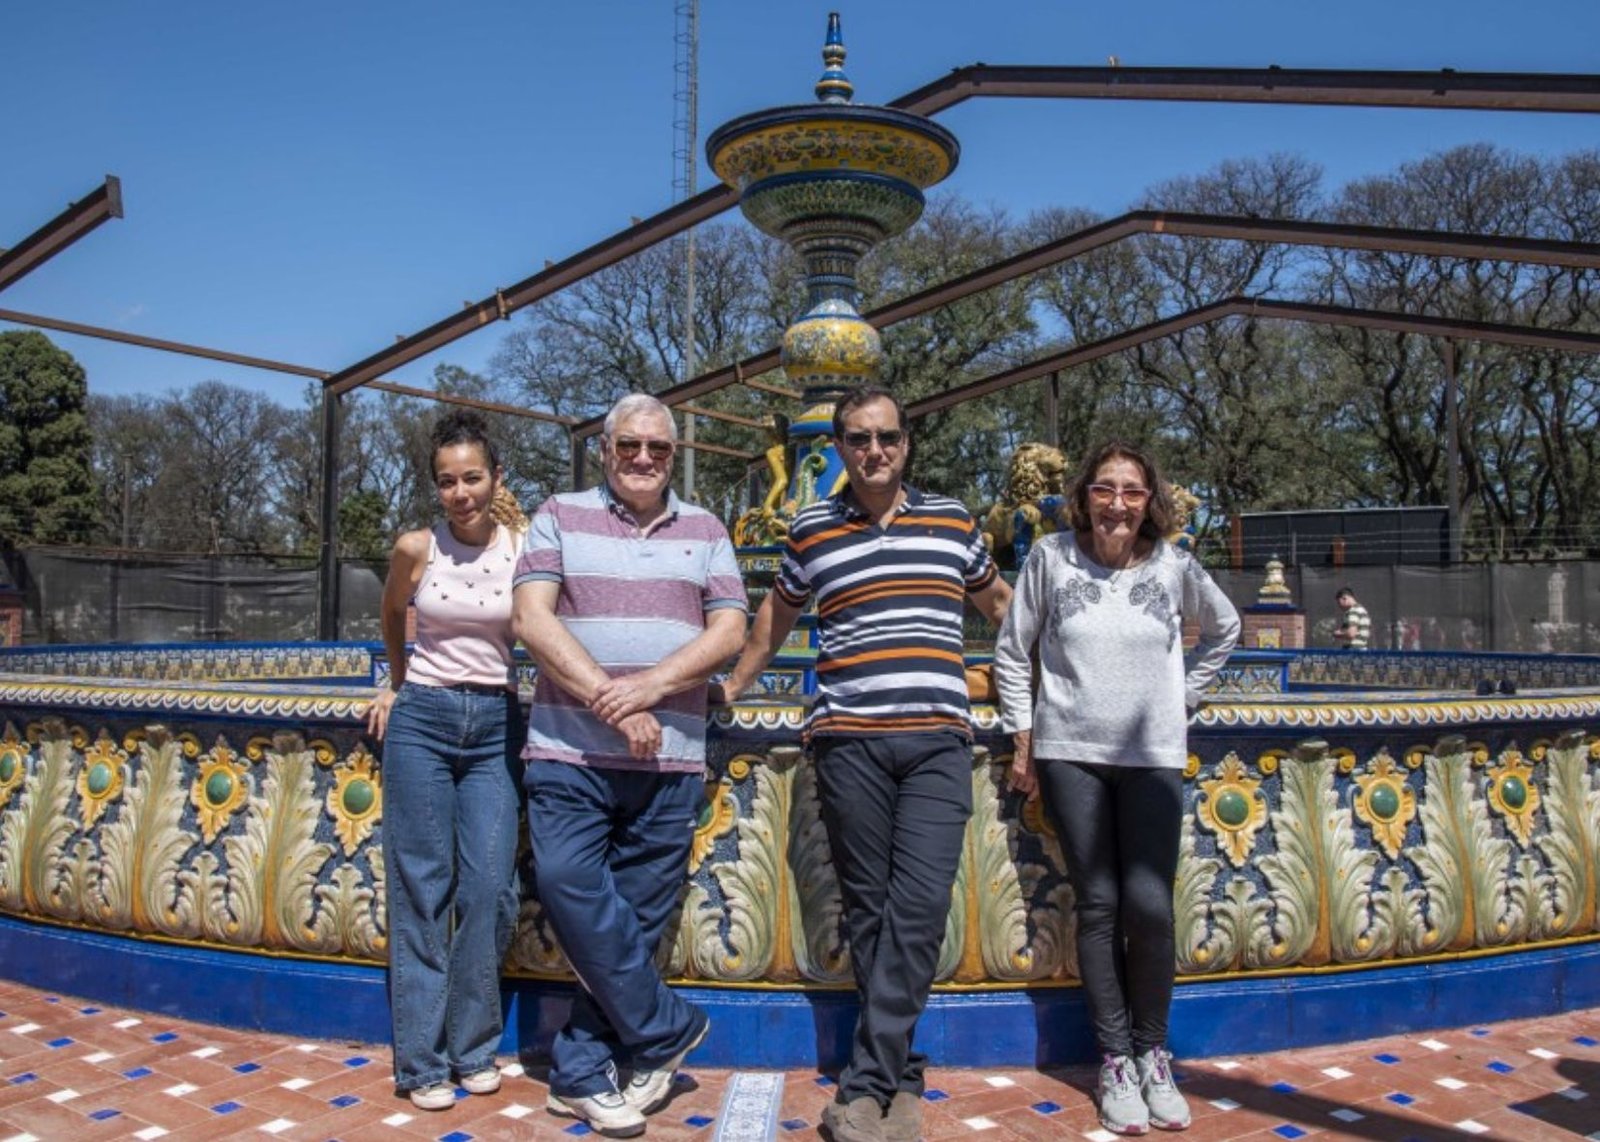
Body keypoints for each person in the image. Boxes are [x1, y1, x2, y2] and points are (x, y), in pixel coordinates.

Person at [714, 385, 1012, 1142]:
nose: (873, 451)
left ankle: (866, 1081)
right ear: (840, 448)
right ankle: (901, 1082)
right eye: (857, 439)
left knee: (918, 910)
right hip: (847, 740)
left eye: (885, 437)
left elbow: (1005, 610)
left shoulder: (953, 521)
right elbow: (774, 619)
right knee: (871, 911)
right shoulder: (812, 527)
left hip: (938, 741)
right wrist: (733, 687)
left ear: (906, 443)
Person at [512, 393, 747, 1139]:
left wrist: (647, 688)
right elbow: (530, 620)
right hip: (568, 751)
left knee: (635, 924)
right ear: (606, 449)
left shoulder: (706, 528)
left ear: (674, 456)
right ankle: (665, 1023)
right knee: (566, 884)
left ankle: (582, 1069)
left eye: (658, 449)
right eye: (629, 447)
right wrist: (616, 703)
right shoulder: (558, 513)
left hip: (670, 755)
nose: (643, 460)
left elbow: (732, 630)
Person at [993, 440, 1240, 1136]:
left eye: (1132, 491)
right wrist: (1022, 735)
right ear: (1085, 497)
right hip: (1071, 752)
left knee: (1151, 907)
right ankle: (1116, 1061)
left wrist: (1184, 696)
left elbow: (1225, 629)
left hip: (1153, 755)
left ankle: (1154, 1051)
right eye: (1105, 489)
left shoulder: (1174, 566)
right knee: (1099, 904)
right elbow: (1013, 649)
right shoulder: (1050, 558)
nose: (1118, 504)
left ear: (1150, 500)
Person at [367, 410, 524, 1112]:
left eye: (472, 477)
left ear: (496, 478)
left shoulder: (524, 550)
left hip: (495, 722)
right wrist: (397, 685)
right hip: (424, 721)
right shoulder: (415, 547)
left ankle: (474, 1046)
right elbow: (392, 614)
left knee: (488, 890)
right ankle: (424, 1063)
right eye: (447, 481)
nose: (460, 492)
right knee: (421, 892)